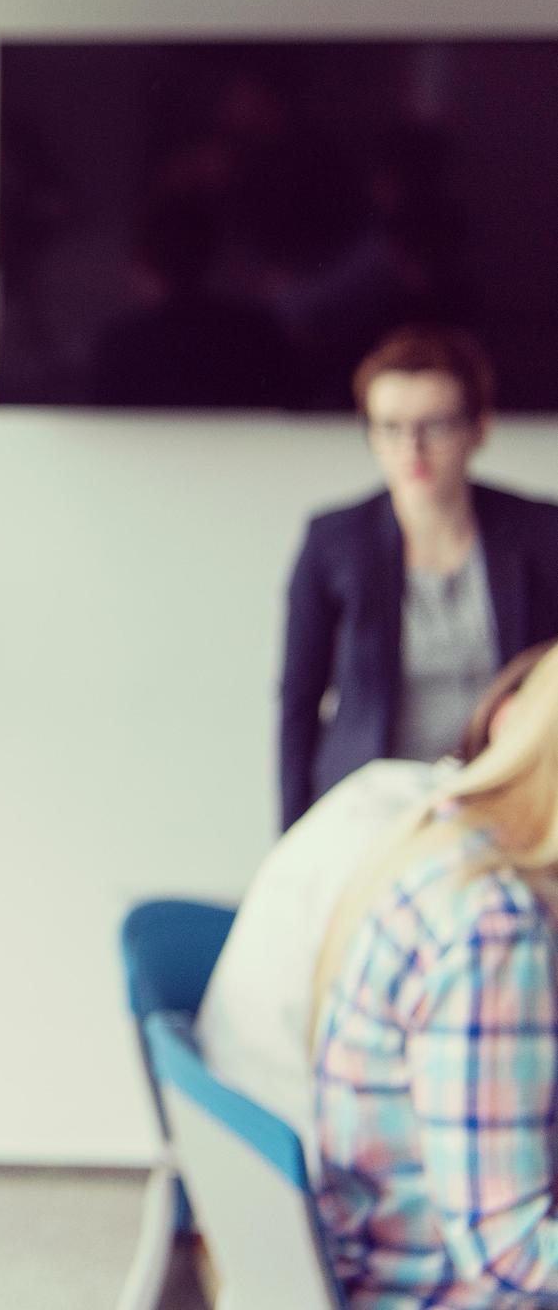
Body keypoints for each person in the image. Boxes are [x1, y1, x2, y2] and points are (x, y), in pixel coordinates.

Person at [202, 641, 551, 1133]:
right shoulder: (475, 891)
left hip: (242, 1118)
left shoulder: (388, 792)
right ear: (510, 720)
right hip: (302, 1130)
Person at [310, 645, 558, 1306]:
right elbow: (508, 1251)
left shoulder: (442, 838)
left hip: (387, 1254)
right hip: (438, 1290)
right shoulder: (493, 927)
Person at [279, 325, 558, 828]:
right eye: (391, 427)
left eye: (436, 425)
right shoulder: (334, 542)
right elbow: (299, 702)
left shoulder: (540, 532)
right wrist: (293, 837)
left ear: (478, 428)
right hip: (373, 806)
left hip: (505, 799)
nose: (413, 447)